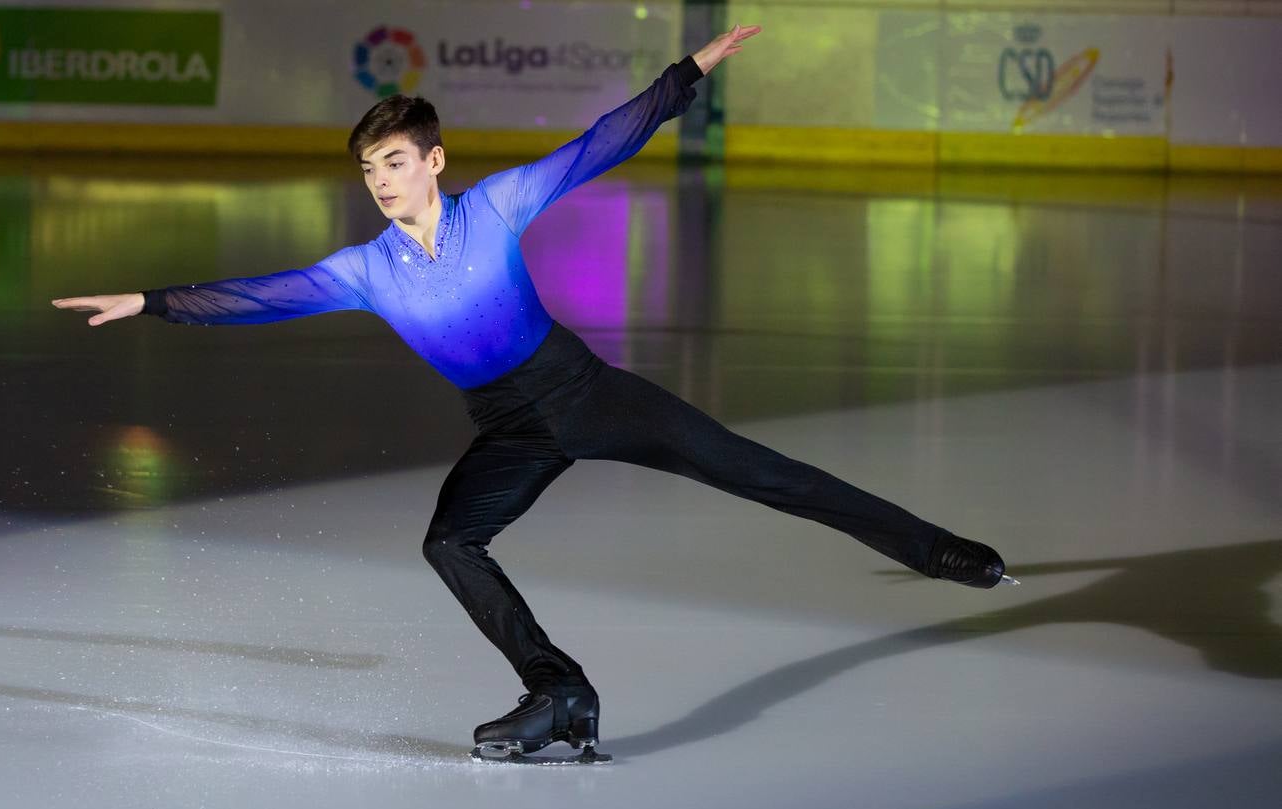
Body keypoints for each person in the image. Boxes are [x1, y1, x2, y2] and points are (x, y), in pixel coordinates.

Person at [53, 24, 1013, 764]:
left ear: (433, 160)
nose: (380, 181)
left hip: (585, 394)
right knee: (449, 541)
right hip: (508, 427)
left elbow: (603, 141)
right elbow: (260, 298)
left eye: (393, 161)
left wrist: (688, 74)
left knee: (759, 472)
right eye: (367, 169)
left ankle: (939, 551)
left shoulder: (497, 205)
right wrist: (152, 301)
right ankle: (557, 690)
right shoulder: (365, 269)